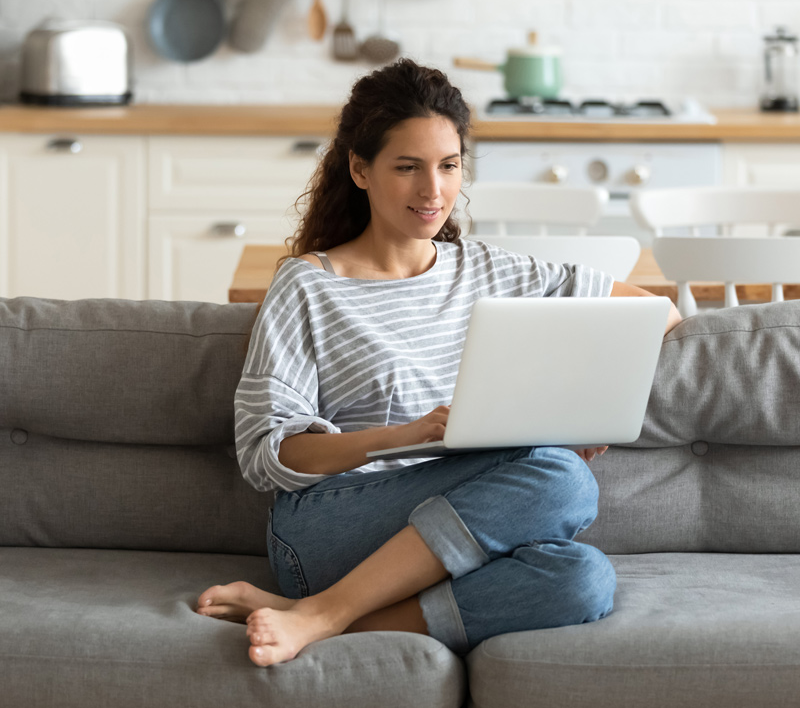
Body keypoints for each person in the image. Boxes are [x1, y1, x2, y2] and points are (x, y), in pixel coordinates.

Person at [196, 59, 682, 667]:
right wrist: (407, 435)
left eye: (449, 166)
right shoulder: (309, 286)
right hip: (329, 529)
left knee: (582, 580)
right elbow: (269, 455)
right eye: (408, 167)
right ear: (360, 169)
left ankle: (329, 618)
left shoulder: (489, 271)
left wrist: (585, 408)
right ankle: (319, 605)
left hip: (466, 526)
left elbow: (656, 312)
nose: (434, 192)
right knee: (562, 479)